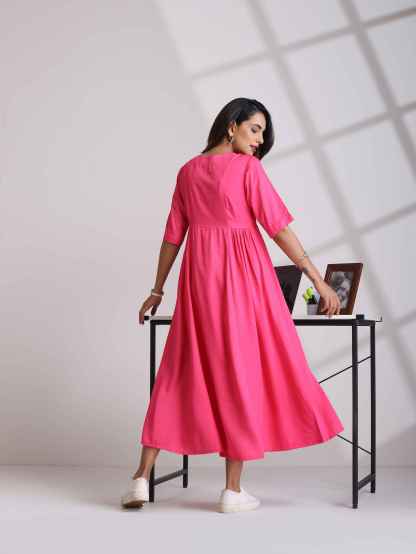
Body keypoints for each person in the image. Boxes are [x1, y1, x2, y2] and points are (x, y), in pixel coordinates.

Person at [121, 98, 343, 513]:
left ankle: (140, 479)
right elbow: (278, 229)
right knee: (240, 371)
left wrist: (157, 290)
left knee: (177, 370)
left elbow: (173, 236)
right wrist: (317, 279)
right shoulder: (246, 169)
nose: (259, 141)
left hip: (198, 280)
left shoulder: (188, 171)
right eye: (255, 129)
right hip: (243, 279)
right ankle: (232, 490)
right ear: (231, 125)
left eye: (262, 134)